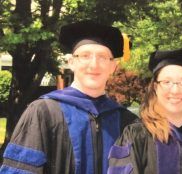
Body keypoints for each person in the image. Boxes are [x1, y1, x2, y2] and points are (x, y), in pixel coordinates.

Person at [0, 20, 137, 174]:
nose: (94, 65)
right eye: (85, 56)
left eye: (103, 57)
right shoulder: (43, 112)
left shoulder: (127, 122)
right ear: (71, 62)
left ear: (113, 66)